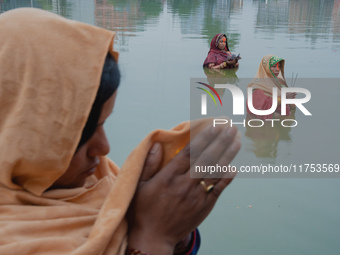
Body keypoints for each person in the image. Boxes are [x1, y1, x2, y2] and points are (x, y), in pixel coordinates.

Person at [0, 8, 241, 255]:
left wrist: (175, 223)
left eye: (103, 124)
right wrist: (155, 237)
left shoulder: (98, 179)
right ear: (16, 129)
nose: (104, 148)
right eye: (79, 133)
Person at [246, 55, 296, 119]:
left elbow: (290, 106)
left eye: (279, 66)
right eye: (274, 66)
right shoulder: (257, 86)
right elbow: (262, 110)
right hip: (263, 124)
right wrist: (283, 97)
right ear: (266, 68)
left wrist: (291, 98)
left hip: (284, 121)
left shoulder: (280, 82)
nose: (277, 69)